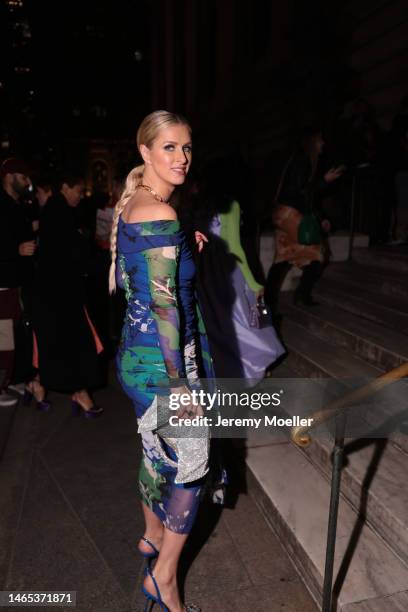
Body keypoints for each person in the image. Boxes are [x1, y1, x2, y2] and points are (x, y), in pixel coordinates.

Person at [109, 110, 212, 612]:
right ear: (145, 152)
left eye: (187, 147)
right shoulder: (160, 214)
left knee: (155, 451)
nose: (182, 158)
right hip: (162, 366)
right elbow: (167, 307)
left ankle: (151, 535)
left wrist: (183, 251)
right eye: (169, 147)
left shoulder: (137, 205)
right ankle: (163, 578)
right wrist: (179, 385)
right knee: (193, 466)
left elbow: (140, 275)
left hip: (136, 357)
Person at [190, 158, 285, 382]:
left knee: (218, 325)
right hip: (227, 270)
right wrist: (254, 284)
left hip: (203, 272)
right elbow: (234, 246)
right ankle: (254, 369)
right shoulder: (230, 204)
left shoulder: (197, 204)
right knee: (246, 322)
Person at [32, 172, 104, 416]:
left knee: (63, 343)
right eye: (77, 189)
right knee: (73, 343)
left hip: (59, 292)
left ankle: (53, 387)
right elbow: (69, 255)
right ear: (64, 186)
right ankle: (76, 392)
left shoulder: (59, 210)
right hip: (60, 294)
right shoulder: (58, 212)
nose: (80, 195)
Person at [265, 128, 343, 312]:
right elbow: (302, 192)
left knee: (283, 257)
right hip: (291, 213)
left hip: (282, 213)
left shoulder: (296, 159)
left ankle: (268, 299)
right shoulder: (303, 161)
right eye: (320, 140)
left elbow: (303, 193)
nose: (323, 144)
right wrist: (324, 180)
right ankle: (302, 295)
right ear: (312, 141)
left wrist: (319, 216)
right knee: (317, 254)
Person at [0, 157, 35, 407]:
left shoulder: (16, 205)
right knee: (3, 337)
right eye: (23, 178)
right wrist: (17, 249)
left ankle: (9, 378)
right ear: (10, 176)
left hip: (13, 282)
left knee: (11, 335)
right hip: (1, 284)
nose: (27, 183)